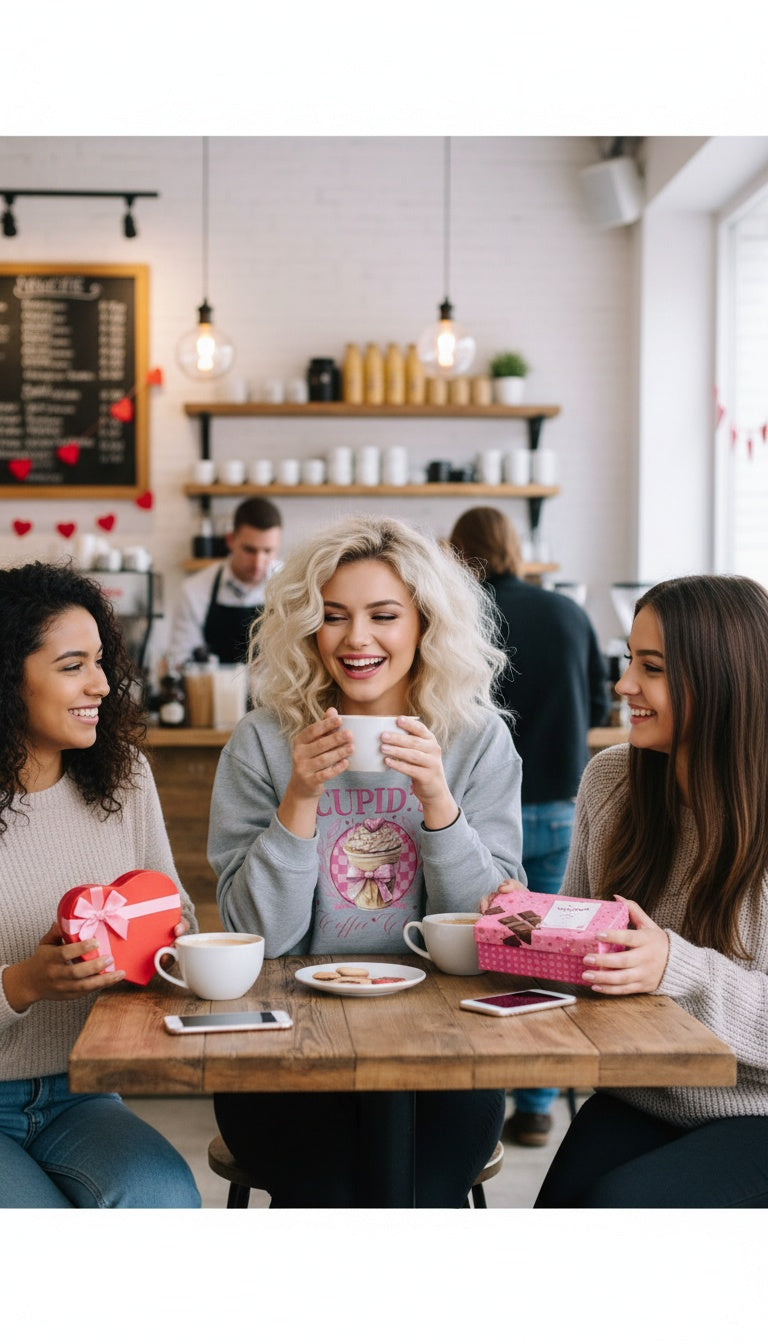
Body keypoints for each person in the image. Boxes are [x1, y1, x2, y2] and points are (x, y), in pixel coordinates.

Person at [207, 514, 526, 1207]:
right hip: (286, 1042)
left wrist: (439, 803)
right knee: (325, 1193)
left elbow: (493, 936)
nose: (356, 639)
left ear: (424, 625)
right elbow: (259, 941)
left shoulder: (476, 743)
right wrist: (299, 799)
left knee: (416, 1189)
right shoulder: (263, 742)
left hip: (443, 1046)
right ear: (308, 629)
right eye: (333, 617)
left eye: (384, 615)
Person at [525, 574, 768, 1207]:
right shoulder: (613, 781)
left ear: (722, 682)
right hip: (646, 1091)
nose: (623, 684)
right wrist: (527, 925)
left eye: (651, 667)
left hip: (757, 1111)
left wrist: (674, 965)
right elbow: (577, 958)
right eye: (631, 658)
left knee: (618, 1210)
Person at [0, 561, 201, 1208]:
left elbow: (178, 916)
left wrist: (159, 949)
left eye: (100, 661)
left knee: (165, 1199)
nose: (102, 683)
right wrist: (25, 983)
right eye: (71, 665)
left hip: (82, 1091)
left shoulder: (124, 778)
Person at [449, 506, 608, 1147]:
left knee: (483, 949)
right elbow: (600, 703)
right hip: (564, 802)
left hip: (486, 814)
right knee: (548, 956)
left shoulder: (465, 622)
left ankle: (475, 1084)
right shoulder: (569, 612)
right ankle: (538, 1100)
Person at [168, 496, 282, 668]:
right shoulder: (194, 591)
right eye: (249, 550)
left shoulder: (292, 586)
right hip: (211, 692)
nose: (258, 562)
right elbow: (181, 659)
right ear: (231, 540)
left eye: (267, 551)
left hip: (276, 692)